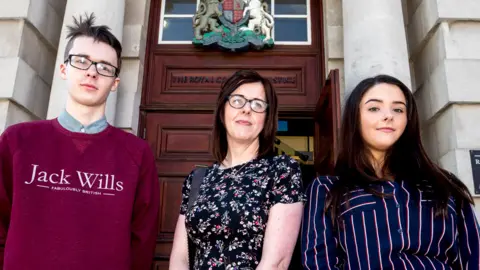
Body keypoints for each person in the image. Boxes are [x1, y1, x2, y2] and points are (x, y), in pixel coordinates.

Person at [0, 13, 159, 269]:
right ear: (64, 69)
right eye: (82, 61)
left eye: (104, 67)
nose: (92, 72)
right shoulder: (16, 141)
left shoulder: (137, 153)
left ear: (115, 82)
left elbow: (143, 238)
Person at [301, 74, 480, 269]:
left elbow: (474, 256)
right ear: (355, 117)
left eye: (398, 109)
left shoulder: (443, 184)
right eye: (374, 108)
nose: (388, 116)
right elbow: (318, 263)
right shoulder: (328, 189)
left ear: (407, 120)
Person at [169, 70, 305, 269]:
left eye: (258, 104)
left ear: (266, 119)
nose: (247, 110)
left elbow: (275, 263)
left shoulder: (282, 171)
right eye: (238, 100)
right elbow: (180, 259)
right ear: (223, 110)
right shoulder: (197, 179)